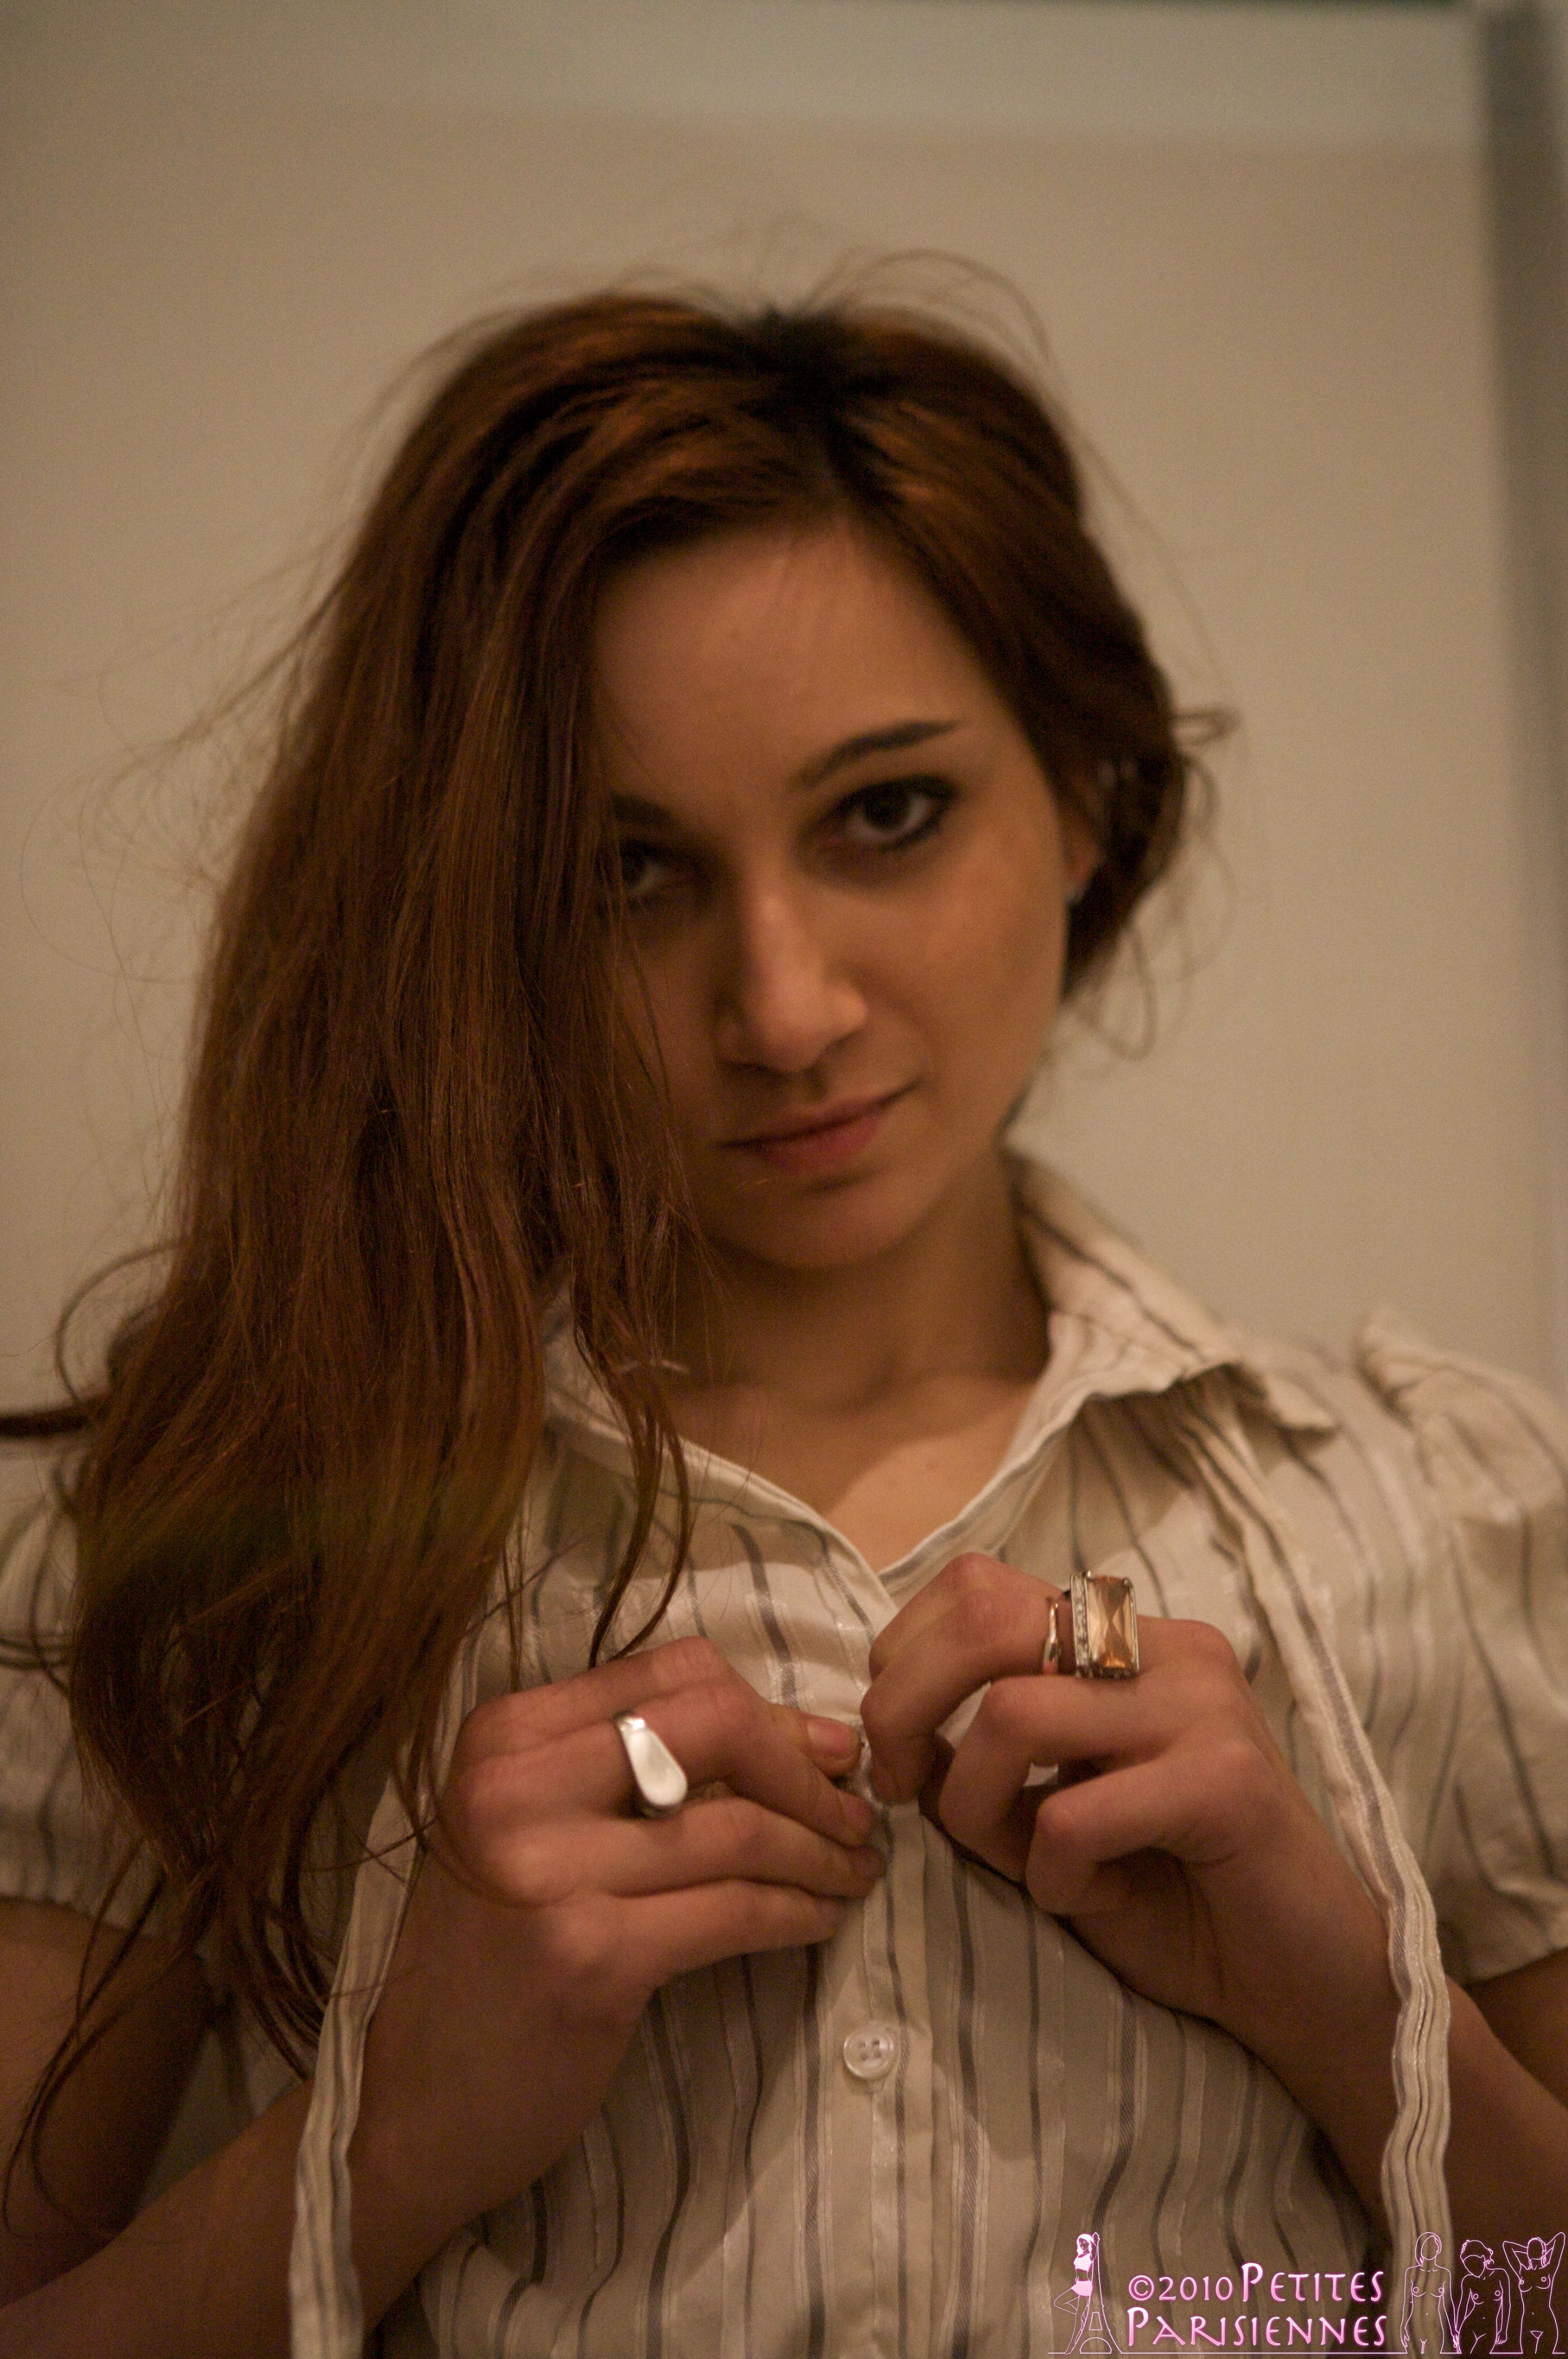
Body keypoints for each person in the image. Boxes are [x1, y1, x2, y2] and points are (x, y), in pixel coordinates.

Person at [0, 285, 1566, 2359]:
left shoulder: (1437, 1510)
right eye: (622, 874)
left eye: (885, 815)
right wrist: (382, 2142)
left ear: (1086, 793)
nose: (784, 1007)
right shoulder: (194, 1543)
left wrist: (1350, 2005)